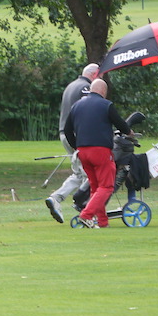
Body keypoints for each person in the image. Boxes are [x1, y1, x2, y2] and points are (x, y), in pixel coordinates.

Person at [62, 78, 132, 228]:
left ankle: (102, 222)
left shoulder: (76, 106)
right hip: (101, 151)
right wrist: (129, 132)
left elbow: (67, 130)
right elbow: (121, 124)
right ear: (103, 91)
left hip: (82, 151)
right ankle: (86, 215)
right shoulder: (106, 105)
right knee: (106, 187)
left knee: (96, 188)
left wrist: (76, 146)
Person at [44, 63, 100, 223]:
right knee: (91, 173)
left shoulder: (72, 85)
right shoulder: (85, 88)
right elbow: (87, 110)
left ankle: (57, 198)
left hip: (64, 133)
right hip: (77, 135)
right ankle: (85, 208)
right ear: (94, 74)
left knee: (79, 173)